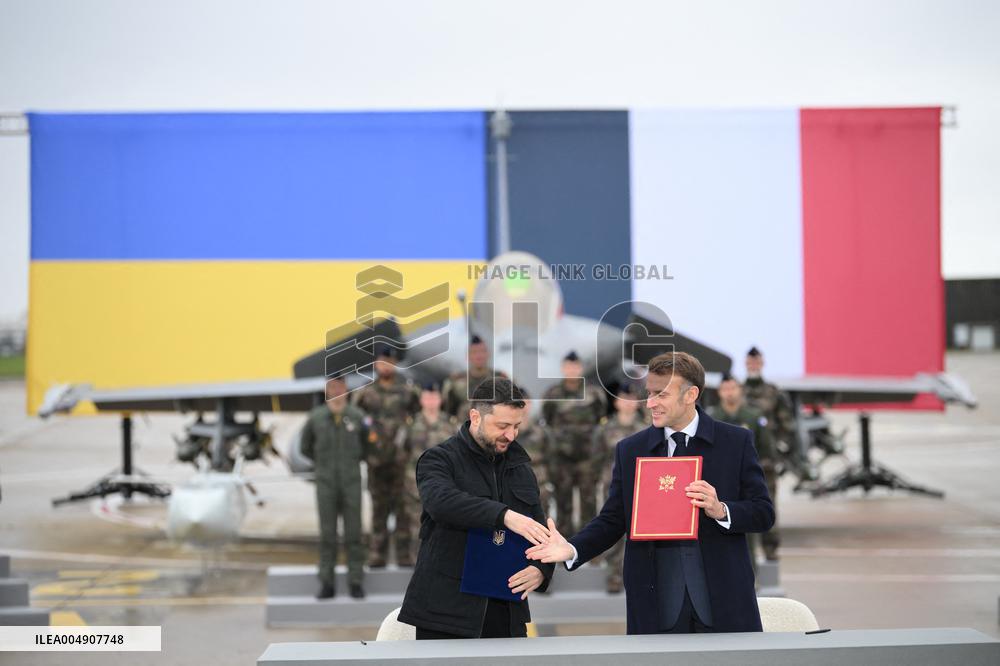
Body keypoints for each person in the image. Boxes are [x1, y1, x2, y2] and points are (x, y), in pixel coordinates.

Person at [527, 352, 774, 634]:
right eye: (650, 393)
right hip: (657, 598)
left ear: (690, 394)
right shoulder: (631, 449)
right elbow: (613, 519)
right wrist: (572, 548)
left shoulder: (735, 442)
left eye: (662, 394)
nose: (651, 403)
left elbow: (763, 513)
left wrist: (722, 510)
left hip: (722, 595)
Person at [398, 378, 555, 639]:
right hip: (445, 612)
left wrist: (541, 570)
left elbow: (538, 529)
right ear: (476, 417)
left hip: (506, 610)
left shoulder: (521, 467)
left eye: (516, 426)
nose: (511, 435)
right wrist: (504, 516)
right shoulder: (439, 459)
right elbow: (440, 502)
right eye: (502, 426)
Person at [299, 377, 370, 599]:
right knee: (327, 534)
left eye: (340, 389)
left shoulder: (357, 417)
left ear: (346, 391)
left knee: (354, 533)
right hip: (326, 484)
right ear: (326, 392)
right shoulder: (316, 418)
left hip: (351, 483)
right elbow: (305, 447)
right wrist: (324, 466)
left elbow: (367, 446)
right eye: (332, 389)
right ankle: (327, 583)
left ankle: (356, 581)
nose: (337, 394)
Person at [352, 345, 421, 567]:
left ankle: (403, 555)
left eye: (390, 361)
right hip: (376, 461)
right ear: (375, 364)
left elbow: (419, 418)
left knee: (403, 509)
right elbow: (355, 421)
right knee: (378, 509)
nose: (386, 365)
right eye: (382, 361)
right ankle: (377, 554)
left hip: (401, 461)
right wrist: (364, 452)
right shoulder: (365, 392)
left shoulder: (408, 390)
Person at [708, 372, 775, 576]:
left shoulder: (753, 417)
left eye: (733, 388)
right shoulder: (711, 418)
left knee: (747, 534)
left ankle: (749, 578)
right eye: (725, 389)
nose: (729, 393)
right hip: (720, 485)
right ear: (720, 392)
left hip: (746, 484)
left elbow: (766, 450)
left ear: (740, 390)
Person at [542, 350, 607, 536]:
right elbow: (548, 419)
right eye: (568, 366)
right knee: (563, 504)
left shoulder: (594, 393)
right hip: (561, 459)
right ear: (563, 368)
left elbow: (601, 418)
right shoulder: (553, 393)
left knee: (589, 503)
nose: (572, 370)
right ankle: (564, 546)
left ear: (581, 368)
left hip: (588, 458)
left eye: (575, 366)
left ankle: (590, 546)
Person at [591, 383, 645, 593]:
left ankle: (638, 575)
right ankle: (614, 575)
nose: (628, 403)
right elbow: (597, 457)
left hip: (641, 486)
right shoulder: (605, 428)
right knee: (614, 527)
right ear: (616, 402)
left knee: (639, 530)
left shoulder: (645, 428)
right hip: (612, 485)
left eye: (632, 398)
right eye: (624, 398)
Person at [396, 381, 456, 565]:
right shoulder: (411, 424)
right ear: (421, 399)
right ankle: (419, 567)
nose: (431, 401)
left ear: (440, 399)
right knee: (417, 528)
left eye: (434, 397)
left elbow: (458, 454)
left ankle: (443, 567)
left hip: (444, 487)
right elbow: (400, 452)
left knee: (445, 528)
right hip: (416, 487)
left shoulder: (451, 425)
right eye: (427, 397)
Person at [743, 346, 793, 561]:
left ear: (761, 363)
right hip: (743, 459)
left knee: (768, 503)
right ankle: (747, 554)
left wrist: (779, 448)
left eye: (756, 362)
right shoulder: (737, 391)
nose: (753, 365)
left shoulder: (773, 392)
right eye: (750, 362)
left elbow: (786, 424)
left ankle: (770, 549)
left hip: (766, 460)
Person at [441, 335, 506, 419]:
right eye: (474, 352)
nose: (479, 355)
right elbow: (445, 411)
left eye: (482, 351)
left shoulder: (500, 379)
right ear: (468, 356)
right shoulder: (455, 381)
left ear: (488, 354)